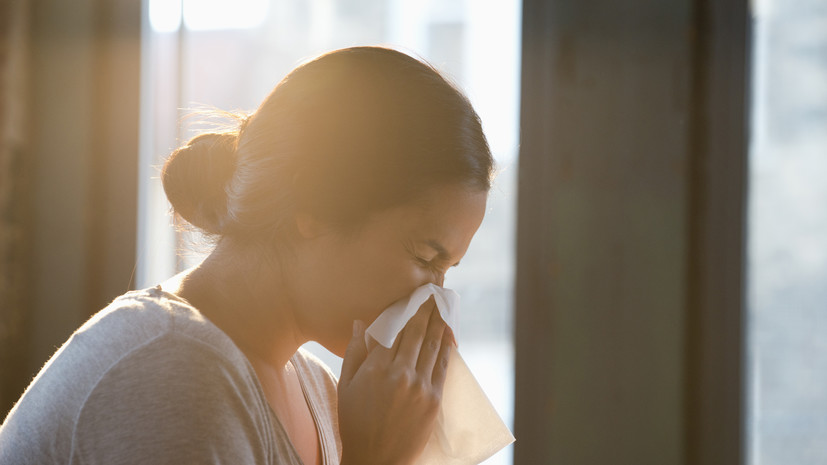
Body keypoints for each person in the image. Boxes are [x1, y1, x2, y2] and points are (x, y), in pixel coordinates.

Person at [0, 46, 493, 465]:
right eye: (426, 257)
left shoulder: (320, 392)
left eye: (447, 271)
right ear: (317, 205)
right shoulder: (172, 373)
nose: (435, 297)